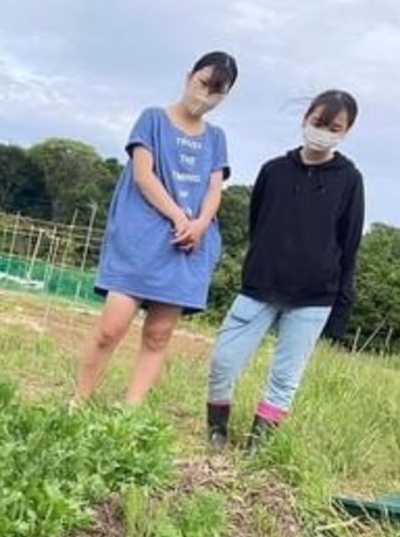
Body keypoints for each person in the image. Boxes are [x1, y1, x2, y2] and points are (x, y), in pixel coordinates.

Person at [73, 51, 238, 406]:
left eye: (217, 91)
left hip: (185, 248)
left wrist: (199, 224)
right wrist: (179, 217)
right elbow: (143, 175)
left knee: (159, 335)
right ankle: (79, 402)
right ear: (189, 76)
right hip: (141, 240)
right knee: (110, 329)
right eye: (203, 83)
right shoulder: (152, 120)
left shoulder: (216, 138)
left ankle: (129, 413)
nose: (206, 95)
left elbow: (213, 190)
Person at [206, 90, 364, 450]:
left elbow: (349, 244)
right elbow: (257, 221)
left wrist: (341, 307)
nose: (323, 131)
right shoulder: (274, 170)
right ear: (306, 118)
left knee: (285, 376)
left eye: (334, 127)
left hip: (314, 296)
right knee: (223, 361)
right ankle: (217, 430)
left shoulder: (350, 180)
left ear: (346, 131)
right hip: (260, 285)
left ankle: (257, 446)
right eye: (319, 123)